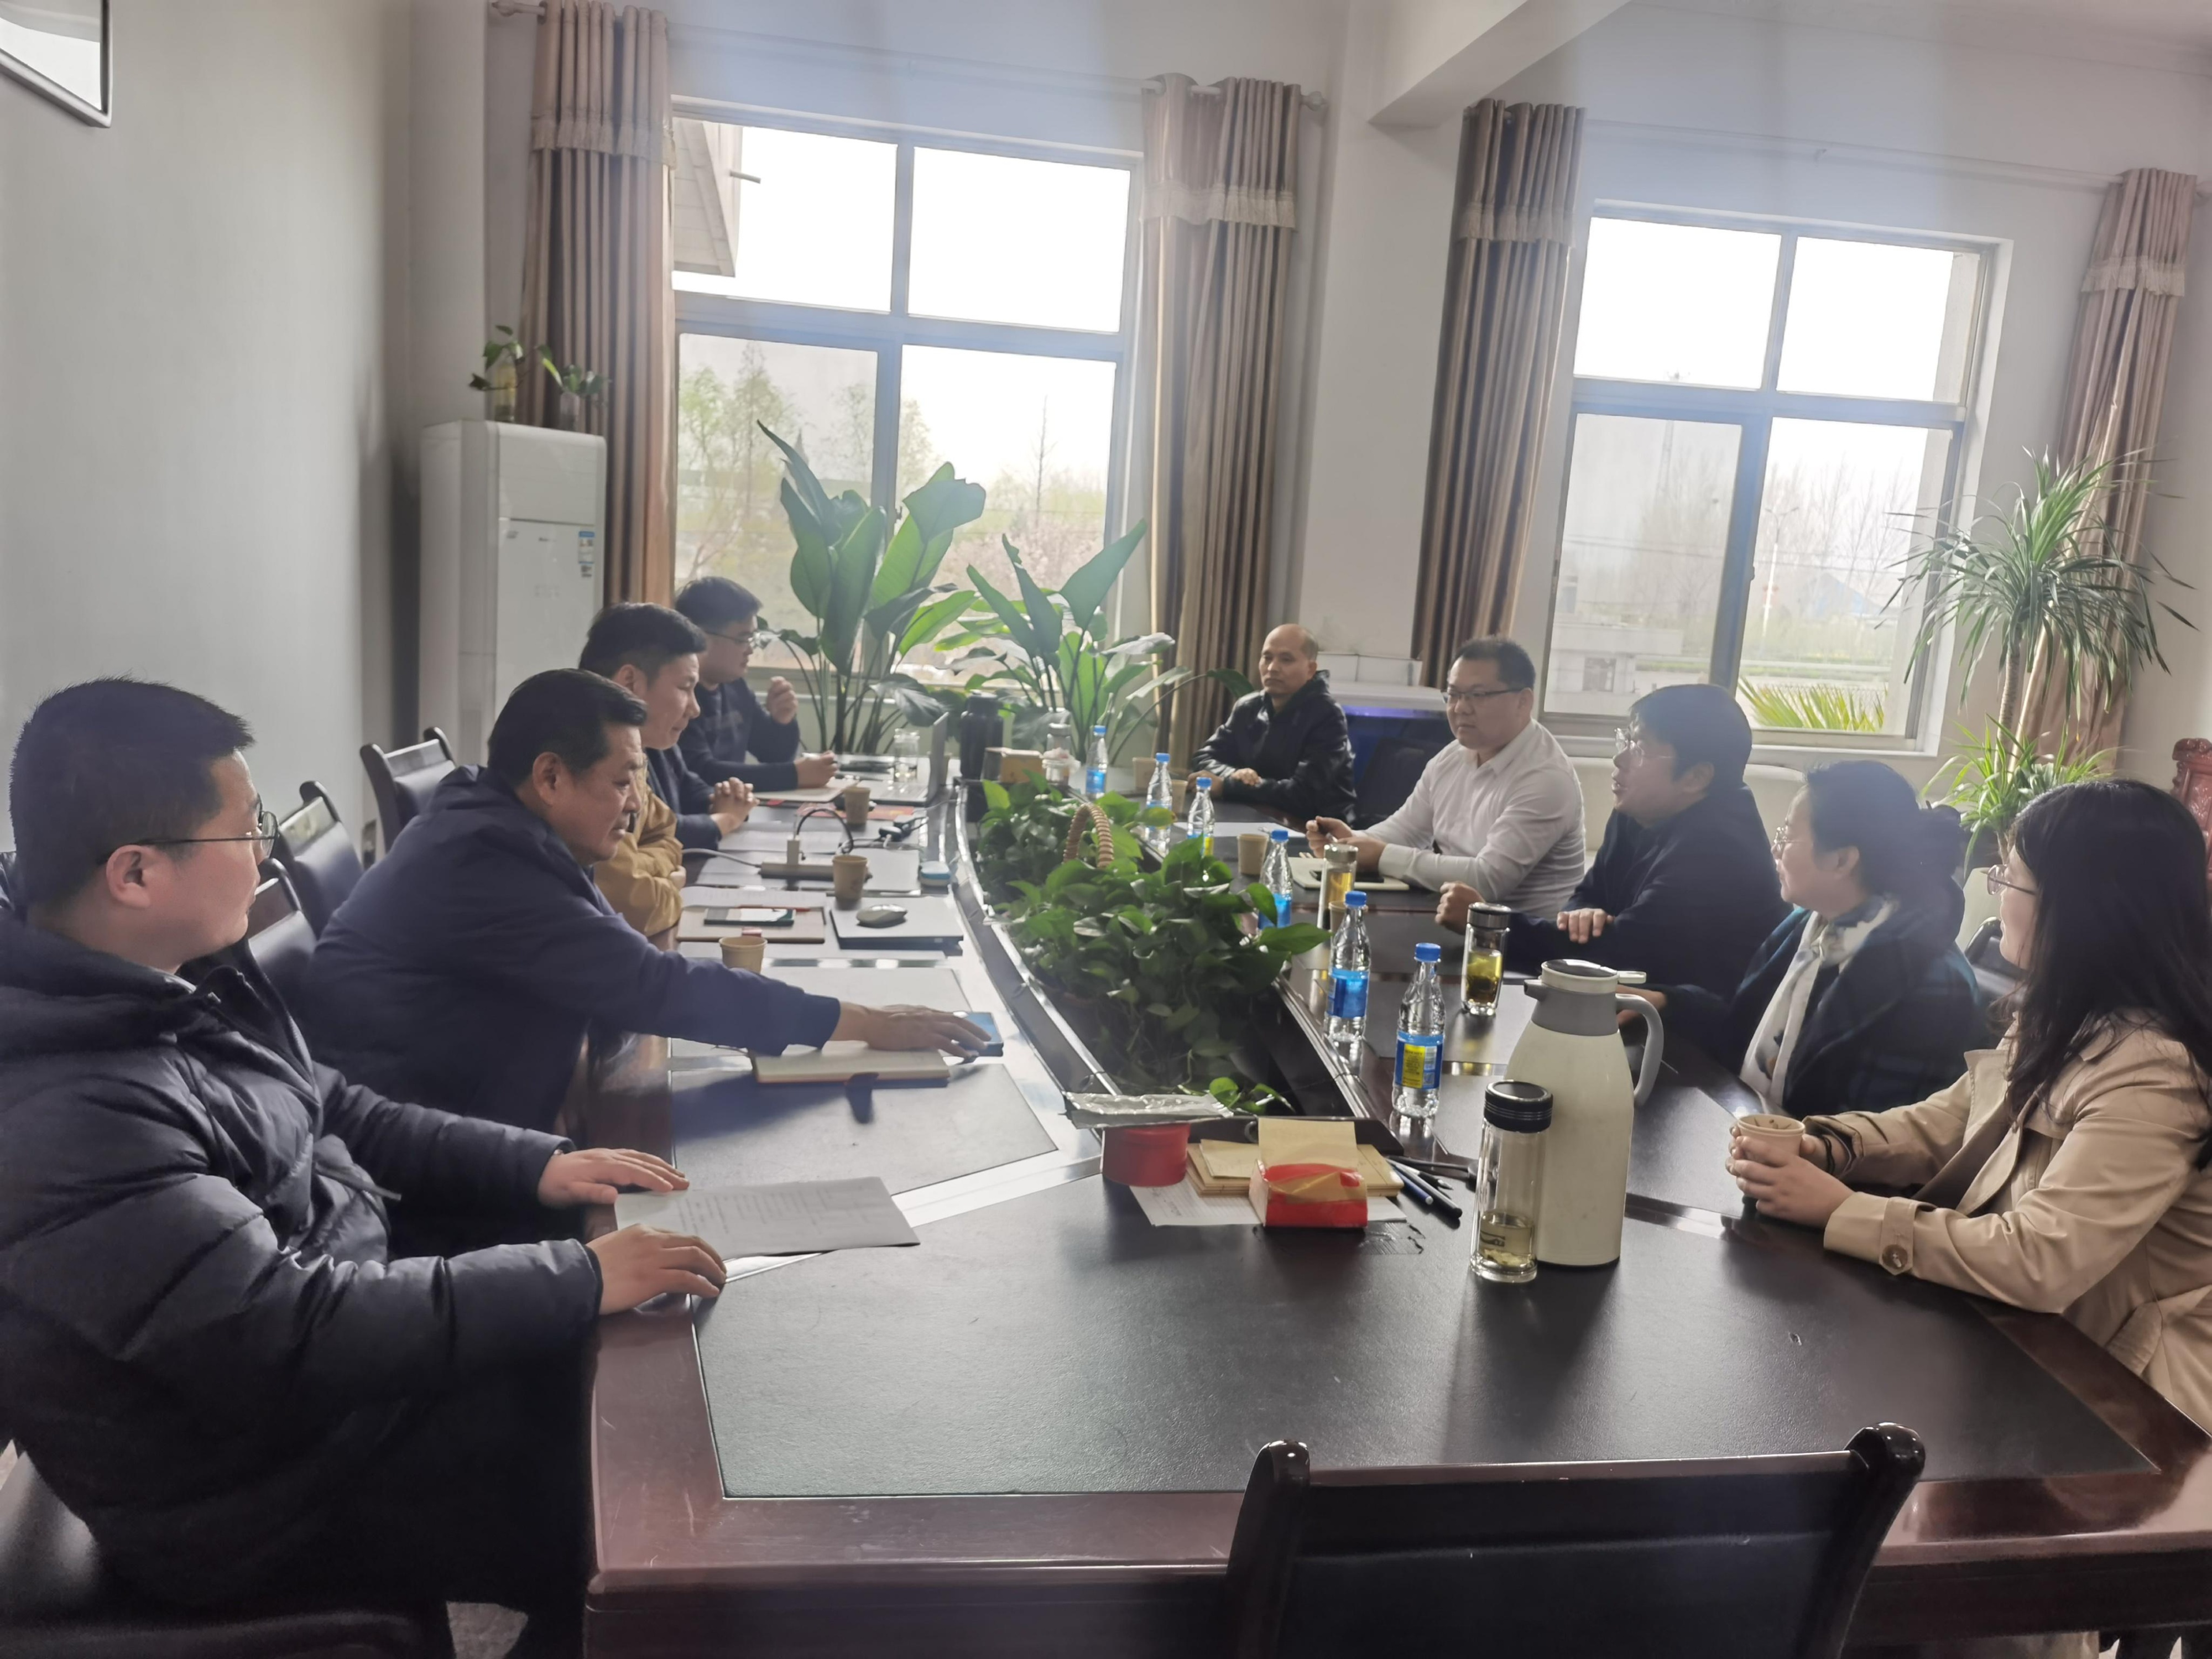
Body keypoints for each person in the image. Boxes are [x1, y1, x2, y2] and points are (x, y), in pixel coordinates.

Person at [0, 678, 727, 1653]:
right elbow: (285, 1329)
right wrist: (578, 1274)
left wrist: (543, 1164)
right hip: (262, 1490)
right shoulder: (67, 1110)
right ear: (136, 874)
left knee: (629, 1386)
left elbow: (337, 1105)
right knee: (648, 1495)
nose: (265, 855)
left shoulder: (167, 982)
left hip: (334, 1386)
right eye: (246, 831)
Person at [1732, 780, 2212, 1659]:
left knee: (1931, 1574)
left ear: (2080, 905)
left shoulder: (2154, 1066)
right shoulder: (2073, 1011)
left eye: (2011, 878)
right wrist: (1828, 1144)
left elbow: (2041, 1261)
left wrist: (1846, 1211)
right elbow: (1949, 1120)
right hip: (2021, 1347)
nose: (1996, 897)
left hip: (2118, 1405)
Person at [305, 669, 985, 1133]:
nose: (636, 803)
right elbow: (654, 985)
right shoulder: (488, 861)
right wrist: (861, 1021)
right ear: (550, 777)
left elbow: (625, 959)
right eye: (623, 781)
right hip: (419, 1159)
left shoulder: (493, 819)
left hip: (454, 1113)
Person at [1647, 761, 1981, 1118]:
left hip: (1817, 1151)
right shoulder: (1812, 927)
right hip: (1764, 1134)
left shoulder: (1930, 985)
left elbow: (1868, 1135)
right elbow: (1740, 1028)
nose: (1775, 850)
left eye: (1787, 836)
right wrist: (1665, 1004)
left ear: (1841, 860)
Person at [1496, 682, 1786, 993]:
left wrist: (1490, 924)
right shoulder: (1640, 810)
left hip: (1700, 1016)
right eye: (1627, 740)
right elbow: (1591, 892)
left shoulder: (1718, 851)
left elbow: (1612, 956)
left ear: (1696, 777)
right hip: (1635, 997)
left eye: (1640, 749)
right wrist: (1583, 912)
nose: (1620, 759)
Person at [1309, 638, 1583, 916]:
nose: (1460, 708)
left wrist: (1380, 855)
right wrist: (1350, 843)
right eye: (1453, 694)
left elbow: (1487, 880)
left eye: (1478, 695)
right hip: (1450, 917)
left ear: (1523, 702)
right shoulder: (1453, 756)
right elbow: (1407, 830)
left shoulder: (1546, 779)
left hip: (1520, 936)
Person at [577, 603, 752, 933]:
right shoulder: (587, 760)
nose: (695, 709)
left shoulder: (631, 756)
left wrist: (646, 863)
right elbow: (638, 908)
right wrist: (673, 881)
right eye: (685, 688)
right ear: (630, 682)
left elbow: (667, 832)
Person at [672, 575, 836, 791]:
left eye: (752, 639)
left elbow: (772, 755)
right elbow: (700, 772)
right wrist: (794, 775)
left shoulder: (735, 686)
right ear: (700, 636)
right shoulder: (677, 695)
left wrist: (782, 721)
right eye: (742, 639)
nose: (750, 650)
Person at [1192, 624, 1355, 821]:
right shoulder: (1249, 707)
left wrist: (1228, 787)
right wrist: (1234, 774)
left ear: (1310, 670)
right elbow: (1204, 757)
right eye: (1267, 658)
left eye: (1286, 660)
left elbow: (1303, 794)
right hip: (1253, 817)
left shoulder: (1328, 715)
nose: (1272, 668)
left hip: (1315, 828)